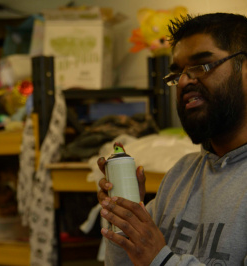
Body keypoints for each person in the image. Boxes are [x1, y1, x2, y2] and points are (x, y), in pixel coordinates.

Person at [96, 12, 247, 265]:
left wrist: (160, 260)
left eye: (201, 65)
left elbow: (155, 259)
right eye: (177, 74)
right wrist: (124, 220)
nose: (184, 81)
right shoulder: (180, 175)